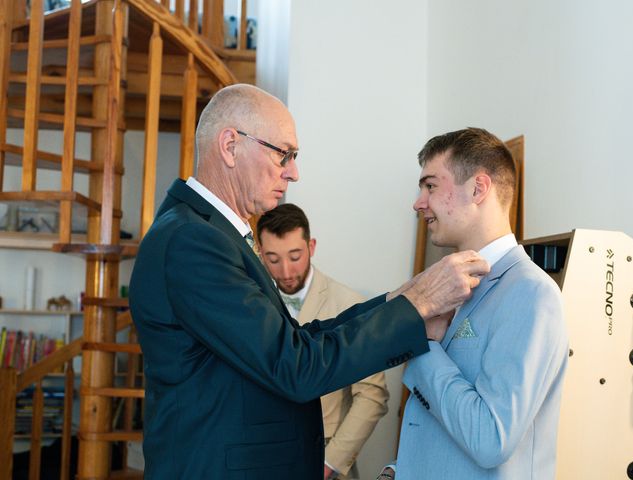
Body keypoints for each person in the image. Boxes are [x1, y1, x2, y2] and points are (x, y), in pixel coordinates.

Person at [129, 84, 489, 479]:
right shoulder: (193, 240)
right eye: (283, 153)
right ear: (230, 145)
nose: (294, 172)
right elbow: (294, 365)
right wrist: (416, 305)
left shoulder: (207, 232)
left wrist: (397, 301)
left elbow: (294, 340)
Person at [381, 128, 569, 480]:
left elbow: (490, 439)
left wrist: (424, 345)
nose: (418, 202)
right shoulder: (452, 286)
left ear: (478, 189)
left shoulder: (530, 294)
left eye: (431, 186)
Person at [257, 203, 389, 480]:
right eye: (273, 258)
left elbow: (371, 395)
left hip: (325, 458)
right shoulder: (250, 303)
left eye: (295, 256)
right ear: (259, 252)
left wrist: (329, 463)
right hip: (260, 456)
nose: (285, 271)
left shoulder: (349, 304)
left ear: (311, 247)